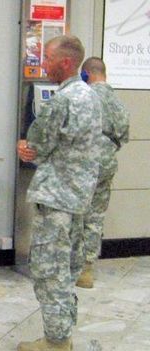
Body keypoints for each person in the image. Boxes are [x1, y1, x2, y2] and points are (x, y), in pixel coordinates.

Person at [17, 35, 101, 351]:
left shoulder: (63, 100)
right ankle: (63, 331)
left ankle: (56, 341)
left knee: (49, 269)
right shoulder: (91, 96)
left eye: (48, 57)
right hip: (81, 196)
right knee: (67, 269)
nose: (43, 63)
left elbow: (37, 143)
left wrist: (25, 148)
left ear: (65, 62)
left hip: (57, 199)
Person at [76, 57, 130, 288]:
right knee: (95, 216)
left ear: (86, 74)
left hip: (83, 163)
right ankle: (86, 269)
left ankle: (71, 264)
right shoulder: (118, 102)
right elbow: (124, 135)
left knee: (77, 213)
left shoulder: (84, 97)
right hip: (107, 163)